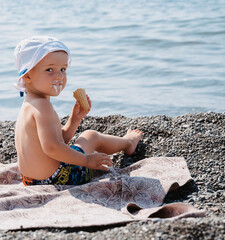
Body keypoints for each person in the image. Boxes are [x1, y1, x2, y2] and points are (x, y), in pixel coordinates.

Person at [13, 36, 143, 186]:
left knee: (80, 142)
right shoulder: (43, 107)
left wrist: (74, 120)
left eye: (63, 69)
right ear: (27, 75)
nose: (59, 76)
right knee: (90, 136)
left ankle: (126, 142)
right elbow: (52, 147)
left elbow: (57, 141)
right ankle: (128, 143)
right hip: (59, 178)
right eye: (50, 69)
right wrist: (86, 160)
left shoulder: (29, 104)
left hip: (31, 181)